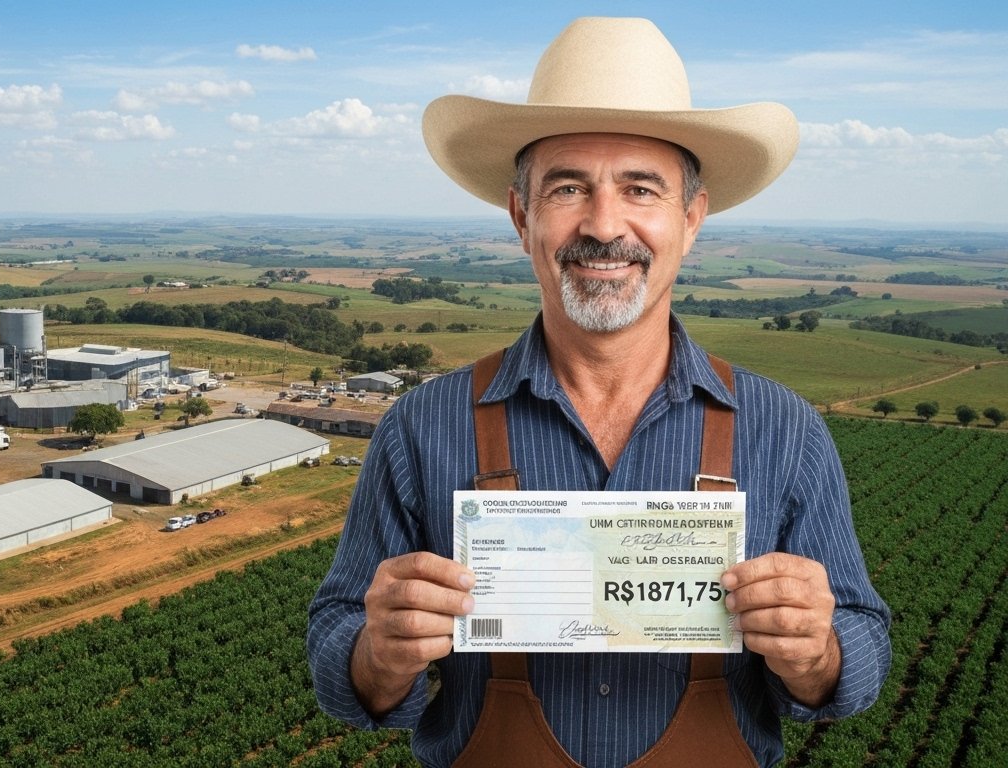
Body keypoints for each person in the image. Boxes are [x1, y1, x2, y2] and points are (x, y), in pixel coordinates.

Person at [307, 17, 890, 768]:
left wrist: (820, 653)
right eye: (569, 187)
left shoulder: (785, 429)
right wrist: (375, 654)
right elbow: (335, 639)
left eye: (641, 189)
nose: (604, 224)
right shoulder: (421, 426)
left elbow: (864, 639)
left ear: (691, 219)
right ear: (523, 218)